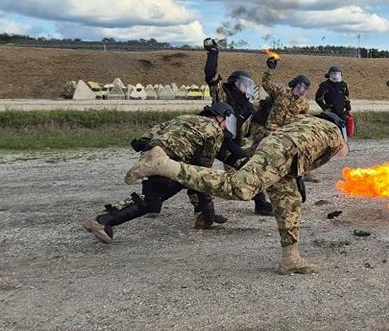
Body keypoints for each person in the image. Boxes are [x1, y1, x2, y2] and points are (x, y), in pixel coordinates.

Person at [123, 114, 348, 274]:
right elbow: (337, 153)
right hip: (285, 153)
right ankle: (164, 165)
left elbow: (275, 140)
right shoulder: (334, 133)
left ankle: (291, 259)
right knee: (240, 188)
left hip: (279, 150)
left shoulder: (304, 120)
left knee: (289, 202)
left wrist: (291, 175)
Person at [83, 102, 243, 243]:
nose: (226, 126)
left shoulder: (185, 117)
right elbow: (203, 169)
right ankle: (102, 221)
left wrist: (144, 142)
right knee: (155, 200)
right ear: (220, 117)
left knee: (162, 193)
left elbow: (157, 129)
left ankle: (205, 219)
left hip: (153, 152)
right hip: (167, 159)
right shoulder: (214, 130)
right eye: (227, 121)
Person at [203, 38, 272, 216]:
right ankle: (203, 211)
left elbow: (251, 126)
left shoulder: (248, 107)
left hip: (229, 144)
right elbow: (211, 74)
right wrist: (213, 53)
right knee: (198, 172)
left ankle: (261, 204)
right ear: (235, 83)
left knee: (248, 167)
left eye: (248, 85)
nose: (247, 88)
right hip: (209, 139)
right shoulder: (222, 94)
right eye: (244, 84)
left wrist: (267, 106)